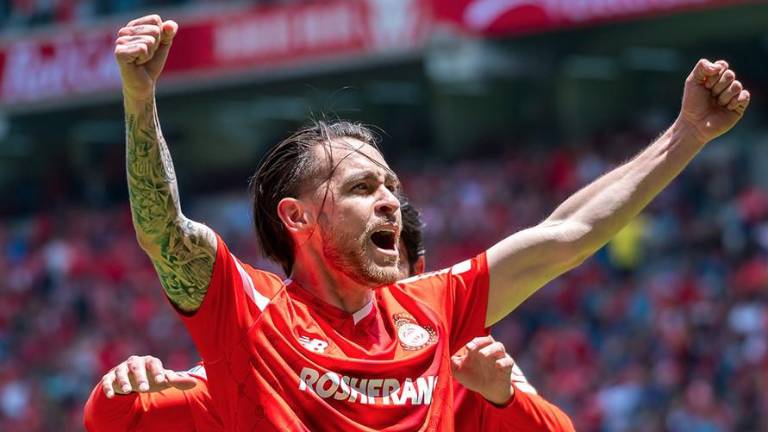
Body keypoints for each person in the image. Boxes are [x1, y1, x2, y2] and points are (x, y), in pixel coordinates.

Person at [112, 13, 749, 431]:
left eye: (392, 185)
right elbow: (165, 231)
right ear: (297, 216)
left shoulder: (434, 310)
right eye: (362, 187)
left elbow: (567, 235)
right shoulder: (248, 313)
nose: (391, 200)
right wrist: (140, 99)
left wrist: (688, 133)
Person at [84, 202, 575, 431]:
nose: (368, 288)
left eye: (387, 266)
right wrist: (118, 388)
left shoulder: (468, 367)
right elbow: (116, 421)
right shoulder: (271, 365)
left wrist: (503, 396)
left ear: (420, 272)